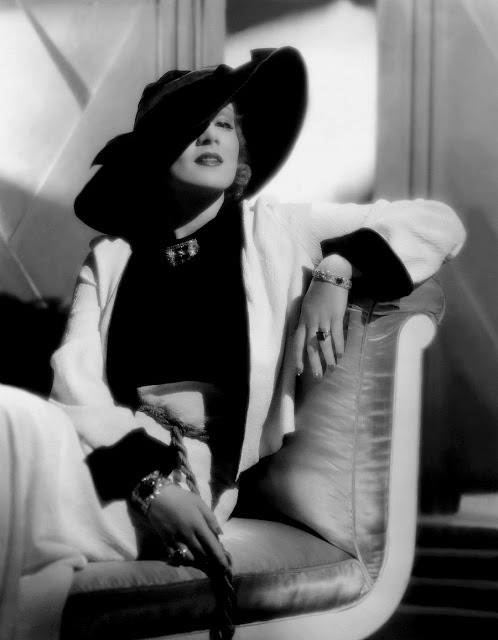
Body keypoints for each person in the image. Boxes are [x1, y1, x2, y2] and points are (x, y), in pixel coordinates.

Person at [0, 47, 466, 640]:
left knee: (19, 490)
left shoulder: (276, 230)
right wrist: (147, 483)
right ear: (154, 156)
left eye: (223, 124)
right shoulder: (111, 257)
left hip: (194, 473)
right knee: (12, 422)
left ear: (240, 149)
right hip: (110, 459)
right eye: (191, 127)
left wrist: (337, 270)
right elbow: (75, 387)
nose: (211, 136)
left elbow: (436, 221)